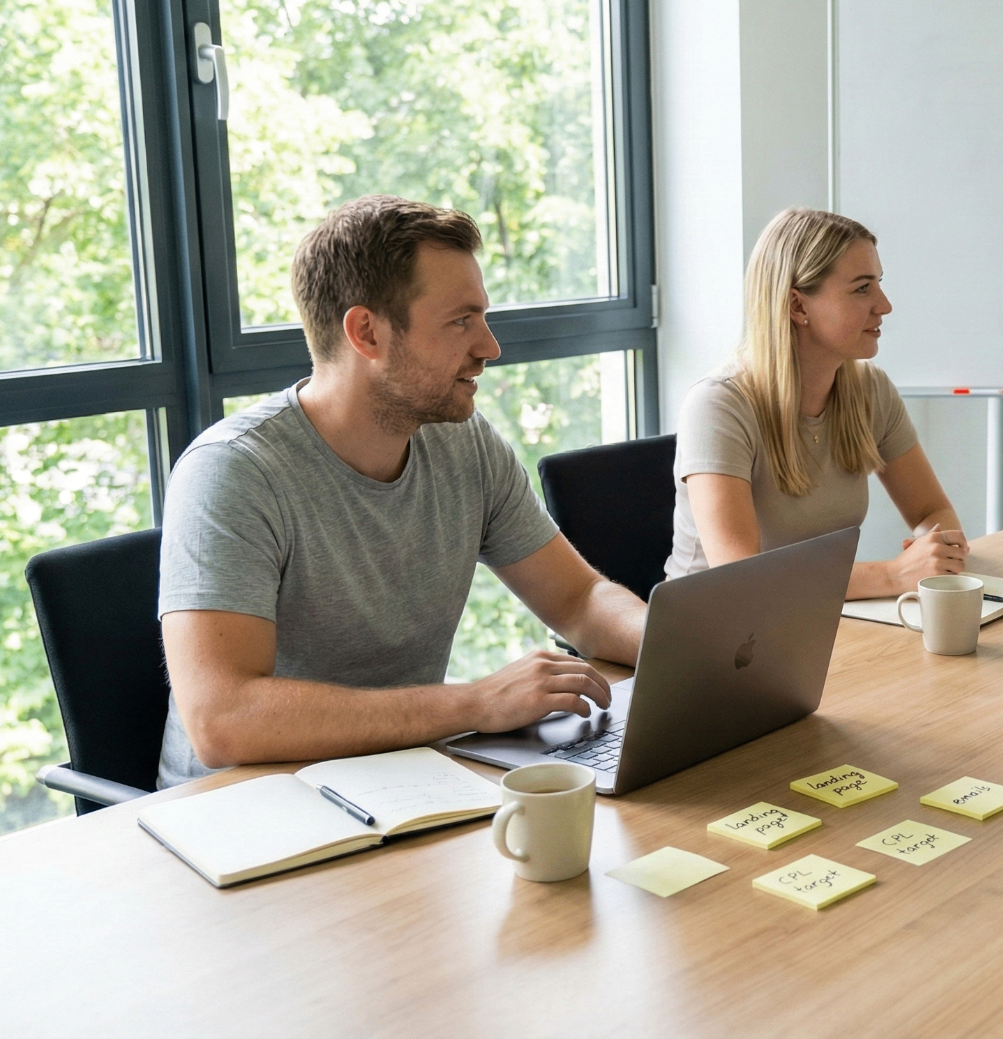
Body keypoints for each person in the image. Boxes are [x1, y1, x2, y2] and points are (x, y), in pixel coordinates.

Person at [158, 196, 644, 788]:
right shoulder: (233, 472)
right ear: (366, 332)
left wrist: (689, 651)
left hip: (397, 779)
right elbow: (222, 720)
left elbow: (579, 599)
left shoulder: (464, 441)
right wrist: (474, 703)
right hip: (244, 809)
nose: (489, 347)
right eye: (461, 321)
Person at [669, 207, 968, 598]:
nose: (884, 305)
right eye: (862, 289)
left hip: (817, 616)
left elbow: (932, 511)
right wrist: (893, 576)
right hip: (715, 625)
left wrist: (935, 550)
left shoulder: (872, 390)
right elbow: (740, 576)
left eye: (878, 284)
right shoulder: (717, 406)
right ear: (798, 306)